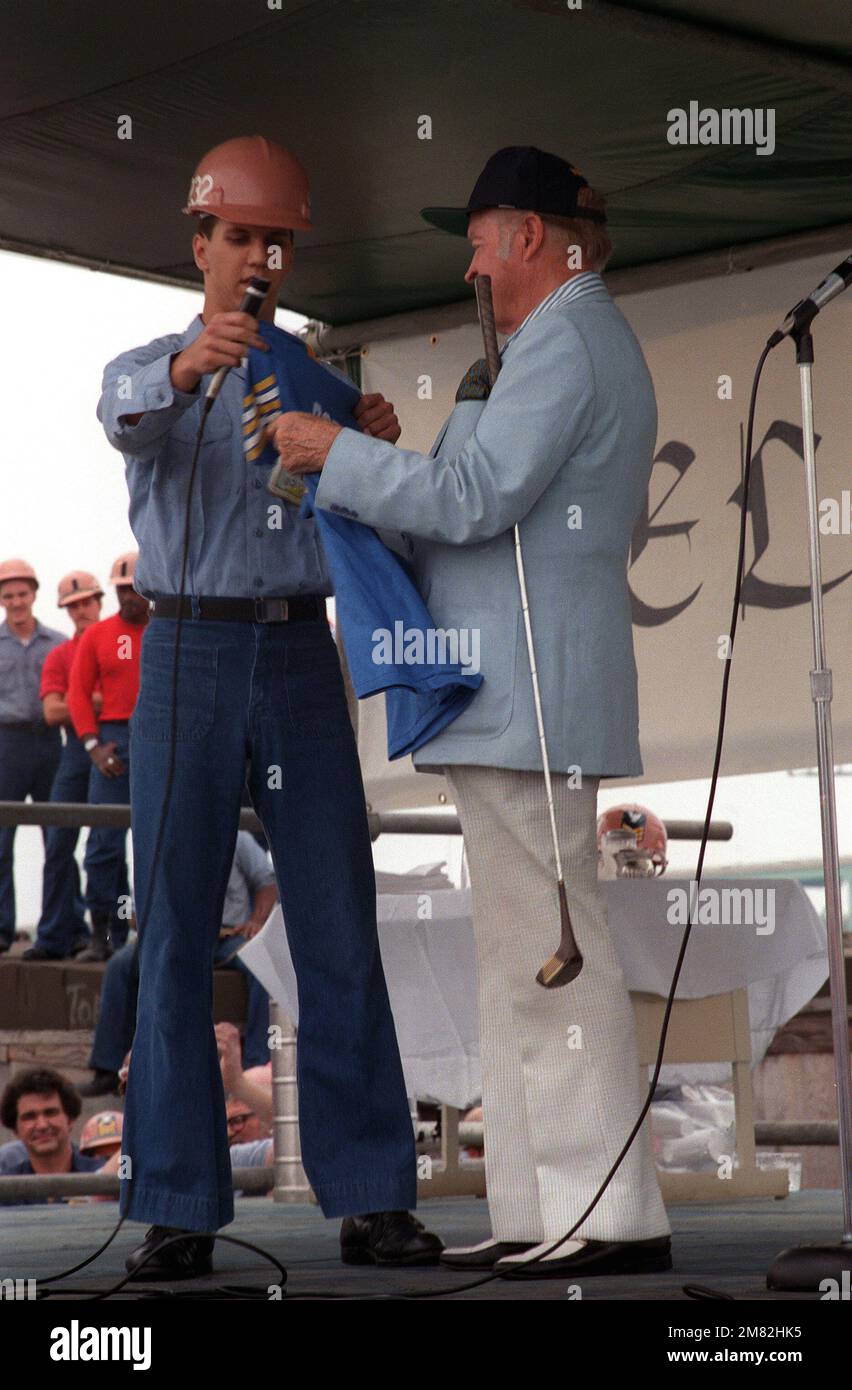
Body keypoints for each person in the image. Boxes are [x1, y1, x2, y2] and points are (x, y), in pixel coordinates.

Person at [267, 146, 673, 1279]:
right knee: (517, 963)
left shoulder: (570, 341)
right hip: (505, 690)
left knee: (557, 955)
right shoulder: (553, 344)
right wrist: (349, 465)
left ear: (533, 238)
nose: (473, 261)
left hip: (529, 690)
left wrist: (337, 451)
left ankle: (609, 1211)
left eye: (484, 237)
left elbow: (474, 497)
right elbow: (464, 505)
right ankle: (549, 1205)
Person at [97, 134, 442, 1279]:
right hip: (187, 648)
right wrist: (195, 366)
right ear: (200, 244)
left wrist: (371, 443)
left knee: (338, 921)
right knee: (174, 931)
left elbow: (373, 518)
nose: (257, 256)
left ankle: (374, 1195)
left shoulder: (315, 380)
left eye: (275, 240)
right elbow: (124, 417)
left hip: (298, 655)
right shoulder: (148, 364)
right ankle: (179, 1204)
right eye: (238, 236)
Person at [78, 831, 279, 1096]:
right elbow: (133, 914)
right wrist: (164, 924)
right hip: (174, 938)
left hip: (228, 936)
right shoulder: (158, 842)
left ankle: (256, 1063)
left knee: (263, 967)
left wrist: (256, 920)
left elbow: (267, 883)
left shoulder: (238, 838)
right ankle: (107, 1067)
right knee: (119, 966)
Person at [67, 552, 148, 961]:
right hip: (114, 739)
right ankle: (105, 933)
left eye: (134, 587)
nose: (127, 597)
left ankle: (154, 932)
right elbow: (77, 694)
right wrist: (92, 746)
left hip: (163, 739)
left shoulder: (172, 631)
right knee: (104, 844)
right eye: (121, 589)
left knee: (161, 842)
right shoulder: (98, 636)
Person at [24, 570, 105, 960]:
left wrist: (77, 700)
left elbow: (131, 696)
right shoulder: (60, 654)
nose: (80, 611)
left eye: (86, 602)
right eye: (73, 606)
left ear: (100, 601)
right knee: (58, 842)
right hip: (75, 751)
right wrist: (95, 701)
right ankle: (54, 935)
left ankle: (108, 937)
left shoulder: (115, 642)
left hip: (115, 747)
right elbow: (53, 711)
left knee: (106, 844)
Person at [0, 559, 65, 952]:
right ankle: (2, 928)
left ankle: (61, 929)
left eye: (22, 593)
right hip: (7, 744)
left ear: (35, 594)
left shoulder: (58, 643)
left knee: (59, 835)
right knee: (1, 839)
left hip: (48, 741)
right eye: (8, 595)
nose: (16, 601)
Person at [0, 1067, 105, 1204]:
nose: (42, 1125)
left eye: (50, 1113)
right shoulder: (5, 1188)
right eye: (30, 1117)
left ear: (70, 1119)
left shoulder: (102, 1174)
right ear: (15, 1130)